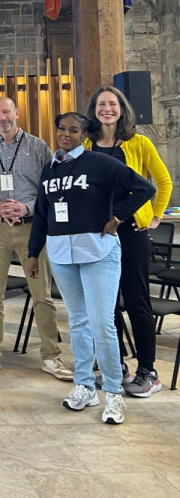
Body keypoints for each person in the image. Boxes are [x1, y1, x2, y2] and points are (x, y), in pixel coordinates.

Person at [28, 112, 155, 425]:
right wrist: (33, 253)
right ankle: (84, 385)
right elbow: (43, 214)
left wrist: (118, 217)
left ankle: (113, 392)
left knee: (102, 323)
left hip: (98, 252)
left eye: (73, 130)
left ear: (84, 135)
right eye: (62, 129)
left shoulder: (100, 163)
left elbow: (143, 189)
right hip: (60, 253)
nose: (66, 134)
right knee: (78, 320)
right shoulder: (49, 169)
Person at [0, 96, 72, 381]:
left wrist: (27, 207)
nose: (2, 118)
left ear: (17, 112)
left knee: (42, 295)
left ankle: (51, 356)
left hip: (32, 228)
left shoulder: (38, 147)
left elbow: (52, 188)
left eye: (6, 112)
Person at [86, 85, 173, 397]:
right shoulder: (87, 143)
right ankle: (117, 363)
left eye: (112, 104)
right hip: (99, 234)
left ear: (121, 109)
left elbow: (163, 181)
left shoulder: (139, 142)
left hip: (132, 232)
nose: (106, 109)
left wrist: (155, 217)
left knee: (137, 302)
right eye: (100, 104)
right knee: (105, 304)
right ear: (93, 110)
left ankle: (148, 371)